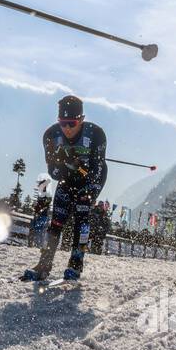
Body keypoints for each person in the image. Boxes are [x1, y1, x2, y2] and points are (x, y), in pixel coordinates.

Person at [21, 96, 107, 282]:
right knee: (57, 221)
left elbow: (96, 171)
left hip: (91, 180)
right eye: (63, 123)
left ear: (81, 120)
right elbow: (54, 173)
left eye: (72, 123)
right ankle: (44, 264)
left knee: (81, 218)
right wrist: (64, 162)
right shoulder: (51, 136)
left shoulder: (96, 135)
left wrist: (77, 165)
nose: (67, 128)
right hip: (66, 180)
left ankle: (76, 263)